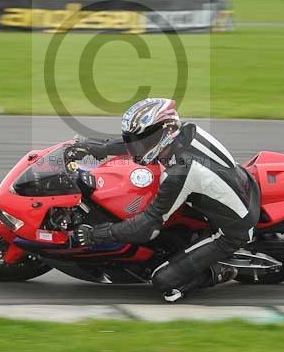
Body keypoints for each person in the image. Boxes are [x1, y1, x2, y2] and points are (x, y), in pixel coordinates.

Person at [67, 97, 260, 302]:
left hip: (231, 230)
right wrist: (96, 148)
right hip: (233, 186)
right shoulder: (182, 131)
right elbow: (138, 143)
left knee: (164, 283)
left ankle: (222, 270)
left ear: (165, 132)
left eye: (143, 141)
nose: (137, 147)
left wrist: (97, 234)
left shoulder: (179, 173)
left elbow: (147, 227)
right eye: (136, 140)